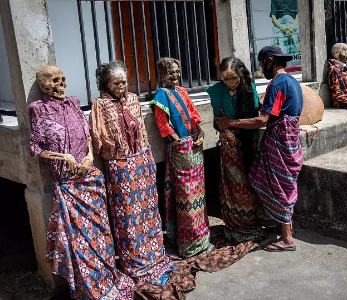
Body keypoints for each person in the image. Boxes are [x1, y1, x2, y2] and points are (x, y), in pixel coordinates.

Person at [29, 65, 134, 299]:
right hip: (67, 184)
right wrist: (64, 157)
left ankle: (106, 278)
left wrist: (88, 156)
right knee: (80, 242)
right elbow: (35, 148)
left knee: (100, 235)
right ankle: (88, 287)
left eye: (63, 79)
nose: (60, 85)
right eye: (54, 81)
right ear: (43, 85)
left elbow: (87, 136)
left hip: (91, 181)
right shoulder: (37, 109)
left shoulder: (74, 102)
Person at [90, 61, 174, 286]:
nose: (121, 86)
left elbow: (143, 133)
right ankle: (135, 262)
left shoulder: (134, 99)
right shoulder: (99, 105)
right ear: (105, 84)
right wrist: (115, 155)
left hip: (141, 162)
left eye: (124, 81)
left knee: (148, 211)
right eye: (116, 82)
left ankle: (155, 255)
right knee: (127, 216)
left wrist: (146, 158)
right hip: (119, 167)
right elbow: (99, 137)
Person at [216, 46, 303, 252]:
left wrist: (231, 123)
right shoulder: (292, 81)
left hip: (280, 140)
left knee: (277, 185)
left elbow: (263, 120)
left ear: (270, 61)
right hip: (291, 139)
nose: (261, 68)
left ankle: (287, 239)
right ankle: (286, 228)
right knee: (285, 184)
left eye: (263, 63)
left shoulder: (277, 83)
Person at [151, 57, 213, 258]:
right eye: (171, 72)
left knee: (198, 195)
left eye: (177, 71)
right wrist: (180, 143)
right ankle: (189, 244)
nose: (176, 76)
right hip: (181, 152)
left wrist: (200, 132)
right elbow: (164, 126)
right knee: (186, 197)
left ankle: (202, 240)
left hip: (194, 149)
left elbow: (194, 115)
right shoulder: (161, 94)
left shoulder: (182, 92)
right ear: (162, 75)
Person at [205, 57, 264, 243]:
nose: (230, 83)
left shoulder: (249, 88)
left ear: (241, 75)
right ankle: (236, 225)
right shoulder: (215, 91)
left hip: (250, 142)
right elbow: (216, 119)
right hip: (229, 145)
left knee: (249, 184)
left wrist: (233, 126)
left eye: (234, 78)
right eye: (226, 79)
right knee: (233, 187)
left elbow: (255, 118)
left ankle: (251, 225)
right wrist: (225, 131)